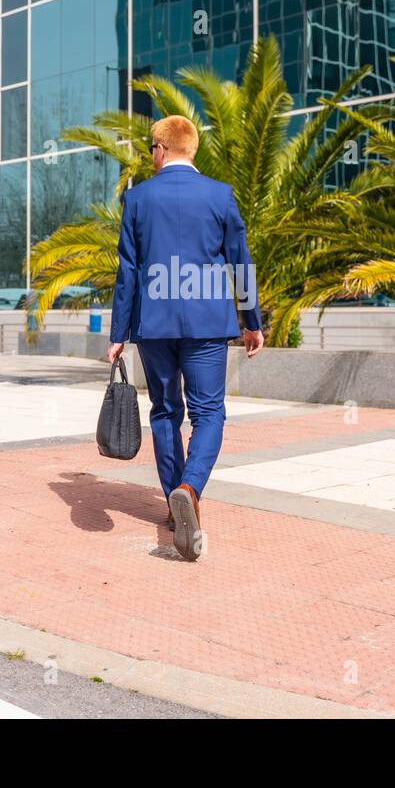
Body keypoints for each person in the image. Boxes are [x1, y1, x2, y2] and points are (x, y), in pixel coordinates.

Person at [106, 115, 264, 561]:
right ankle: (190, 488)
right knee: (209, 412)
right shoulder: (220, 196)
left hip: (154, 326)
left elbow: (128, 274)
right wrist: (252, 321)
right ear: (192, 150)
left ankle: (176, 505)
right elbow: (241, 264)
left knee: (165, 411)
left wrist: (118, 334)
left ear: (159, 149)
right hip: (207, 324)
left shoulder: (137, 199)